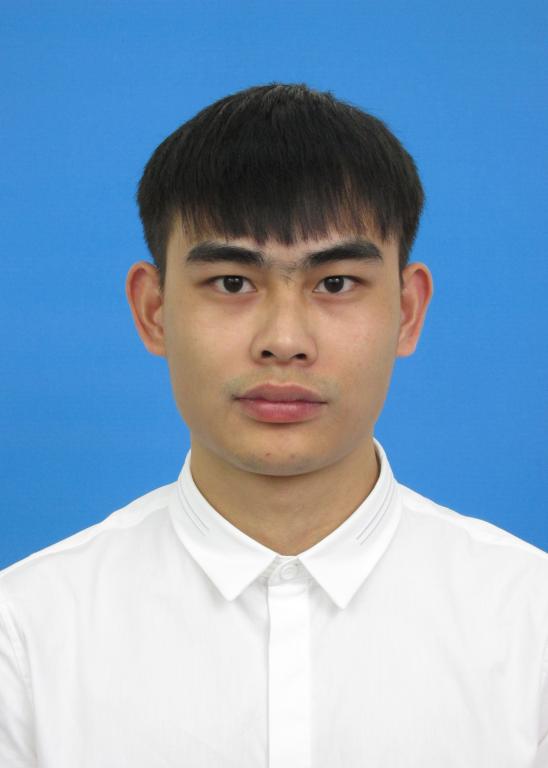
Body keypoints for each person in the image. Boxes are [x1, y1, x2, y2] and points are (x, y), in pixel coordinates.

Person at [0, 83, 546, 768]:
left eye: (335, 283)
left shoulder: (531, 623)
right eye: (232, 282)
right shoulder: (24, 636)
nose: (284, 341)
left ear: (407, 311)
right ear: (153, 311)